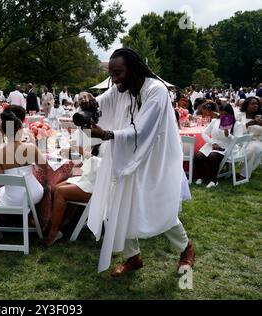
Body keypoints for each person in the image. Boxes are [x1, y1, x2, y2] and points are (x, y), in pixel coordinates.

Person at [83, 48, 195, 277]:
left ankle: (186, 249)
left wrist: (107, 135)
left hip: (155, 159)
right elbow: (98, 103)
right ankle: (133, 258)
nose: (114, 79)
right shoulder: (119, 89)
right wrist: (85, 98)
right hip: (126, 157)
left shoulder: (156, 90)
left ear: (133, 69)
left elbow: (143, 129)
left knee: (159, 206)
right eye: (111, 74)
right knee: (119, 206)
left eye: (118, 73)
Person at [0, 110, 47, 206]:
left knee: (0, 191)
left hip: (14, 199)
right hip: (35, 194)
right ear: (20, 129)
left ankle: (8, 219)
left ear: (4, 131)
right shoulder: (30, 147)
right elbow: (45, 167)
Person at [194, 103, 244, 188]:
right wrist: (212, 143)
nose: (223, 116)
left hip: (227, 147)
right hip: (212, 144)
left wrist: (229, 135)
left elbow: (239, 141)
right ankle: (200, 177)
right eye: (221, 114)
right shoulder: (215, 121)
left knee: (212, 156)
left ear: (231, 114)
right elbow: (204, 134)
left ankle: (213, 180)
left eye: (226, 114)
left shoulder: (236, 124)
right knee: (198, 156)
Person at [239, 97, 262, 179]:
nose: (256, 105)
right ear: (246, 105)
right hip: (240, 140)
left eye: (257, 104)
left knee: (254, 148)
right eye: (253, 104)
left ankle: (244, 174)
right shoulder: (240, 116)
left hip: (256, 140)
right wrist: (248, 124)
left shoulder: (260, 117)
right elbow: (236, 130)